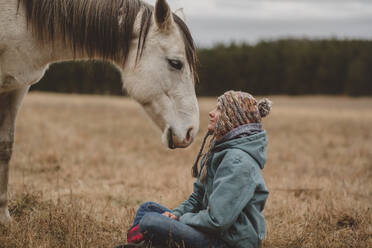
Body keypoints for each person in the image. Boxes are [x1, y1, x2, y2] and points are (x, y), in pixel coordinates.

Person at [118, 91, 272, 248]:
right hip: (210, 230)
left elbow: (217, 220)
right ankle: (148, 243)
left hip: (227, 242)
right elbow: (197, 199)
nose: (211, 113)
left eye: (219, 109)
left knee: (151, 221)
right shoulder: (218, 150)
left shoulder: (238, 162)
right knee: (148, 208)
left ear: (233, 118)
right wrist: (176, 214)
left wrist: (180, 220)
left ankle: (146, 243)